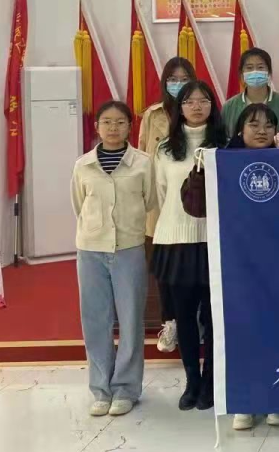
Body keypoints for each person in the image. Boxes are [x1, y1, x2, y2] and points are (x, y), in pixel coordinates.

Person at [71, 101, 155, 418]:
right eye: (106, 122)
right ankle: (100, 389)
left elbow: (151, 200)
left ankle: (126, 389)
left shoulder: (143, 163)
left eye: (120, 122)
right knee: (95, 319)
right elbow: (79, 204)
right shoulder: (83, 165)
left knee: (130, 320)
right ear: (97, 126)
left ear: (129, 127)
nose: (113, 128)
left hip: (129, 247)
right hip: (90, 248)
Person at [151, 81, 229, 412]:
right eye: (189, 101)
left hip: (214, 239)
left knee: (213, 318)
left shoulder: (225, 145)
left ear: (213, 105)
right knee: (183, 317)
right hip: (175, 240)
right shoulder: (165, 149)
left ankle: (210, 382)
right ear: (179, 107)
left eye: (203, 100)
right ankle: (191, 381)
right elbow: (161, 193)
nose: (197, 106)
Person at [223, 103, 279, 430]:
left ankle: (276, 397)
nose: (262, 131)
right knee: (243, 329)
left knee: (277, 328)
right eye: (254, 124)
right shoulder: (223, 162)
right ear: (240, 129)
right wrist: (199, 174)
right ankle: (245, 401)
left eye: (268, 125)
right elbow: (196, 205)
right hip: (239, 260)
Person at [138, 57, 196, 354]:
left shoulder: (200, 112)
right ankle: (170, 322)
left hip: (194, 208)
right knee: (165, 270)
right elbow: (142, 159)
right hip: (158, 207)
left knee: (194, 269)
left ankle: (194, 322)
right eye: (173, 79)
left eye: (185, 78)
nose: (178, 84)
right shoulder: (152, 116)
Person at [220, 48, 279, 138]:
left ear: (269, 73)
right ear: (242, 74)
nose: (255, 71)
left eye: (260, 67)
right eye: (249, 68)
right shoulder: (229, 107)